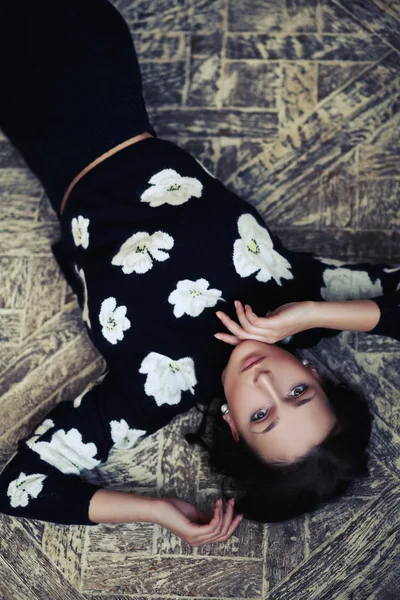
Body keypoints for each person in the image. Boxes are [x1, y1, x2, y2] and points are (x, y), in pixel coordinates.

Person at [0, 0, 398, 547]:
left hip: (35, 126)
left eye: (262, 415)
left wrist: (155, 510)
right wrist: (315, 312)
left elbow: (22, 486)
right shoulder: (301, 296)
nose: (265, 380)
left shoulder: (152, 391)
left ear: (233, 428)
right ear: (321, 378)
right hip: (98, 65)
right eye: (300, 391)